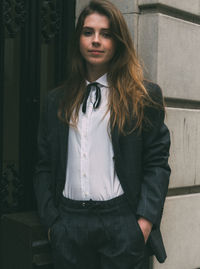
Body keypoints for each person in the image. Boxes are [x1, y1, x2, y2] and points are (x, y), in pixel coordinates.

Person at [34, 0, 171, 268]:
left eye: (106, 34)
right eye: (88, 32)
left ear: (118, 41)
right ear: (78, 39)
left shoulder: (143, 97)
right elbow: (43, 166)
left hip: (121, 224)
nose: (96, 41)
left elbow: (157, 164)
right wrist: (52, 222)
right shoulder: (56, 101)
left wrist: (142, 224)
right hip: (69, 224)